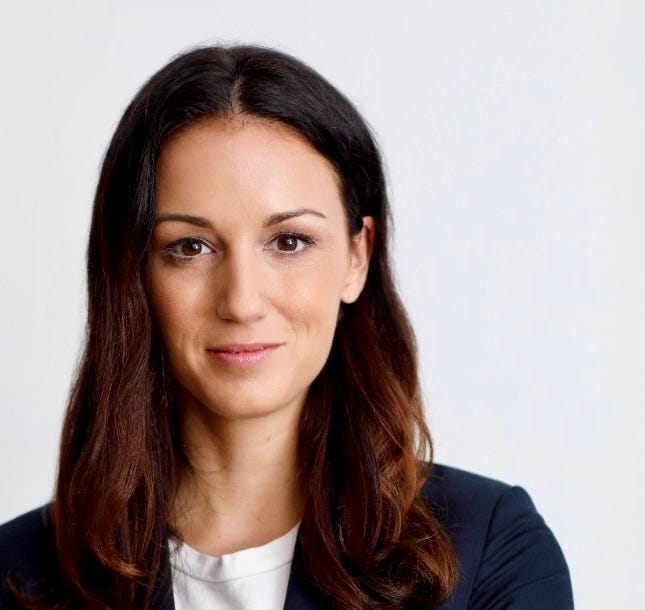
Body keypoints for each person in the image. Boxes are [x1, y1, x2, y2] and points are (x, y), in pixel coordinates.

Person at [0, 45, 573, 610]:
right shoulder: (17, 574)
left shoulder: (490, 552)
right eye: (190, 247)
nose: (242, 302)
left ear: (356, 258)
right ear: (133, 272)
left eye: (289, 242)